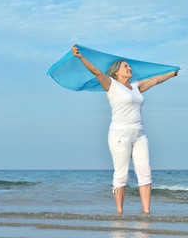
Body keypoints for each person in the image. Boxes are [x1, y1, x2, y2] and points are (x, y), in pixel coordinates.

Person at [72, 44, 179, 215]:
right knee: (121, 175)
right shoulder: (111, 84)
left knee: (145, 173)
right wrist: (81, 57)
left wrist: (171, 73)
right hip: (120, 135)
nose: (129, 68)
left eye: (129, 66)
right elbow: (97, 72)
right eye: (125, 66)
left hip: (140, 134)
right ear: (116, 72)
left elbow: (155, 80)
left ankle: (146, 213)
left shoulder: (136, 85)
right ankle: (119, 213)